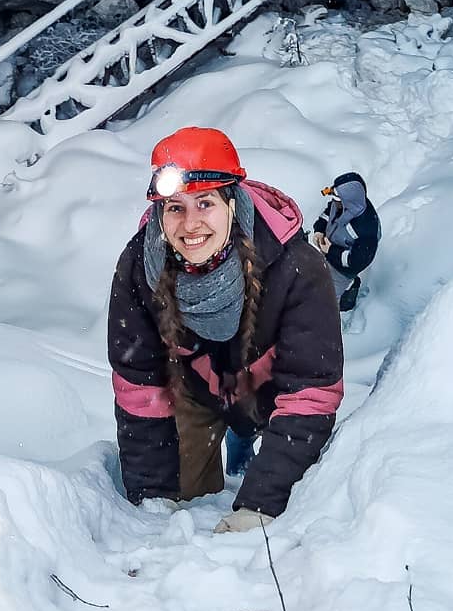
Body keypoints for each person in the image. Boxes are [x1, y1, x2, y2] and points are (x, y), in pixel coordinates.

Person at [108, 126, 344, 532]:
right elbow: (141, 389)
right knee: (171, 504)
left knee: (288, 507)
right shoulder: (138, 269)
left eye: (205, 203)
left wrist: (259, 505)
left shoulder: (298, 267)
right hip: (193, 393)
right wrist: (152, 502)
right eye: (175, 208)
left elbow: (310, 394)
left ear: (232, 204)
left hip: (276, 396)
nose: (190, 224)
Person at [311, 171, 380, 312]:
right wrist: (319, 229)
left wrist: (331, 251)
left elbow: (357, 261)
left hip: (343, 269)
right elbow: (327, 214)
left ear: (349, 201)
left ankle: (334, 317)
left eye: (337, 199)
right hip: (329, 252)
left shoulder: (366, 229)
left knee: (328, 300)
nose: (334, 202)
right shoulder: (340, 204)